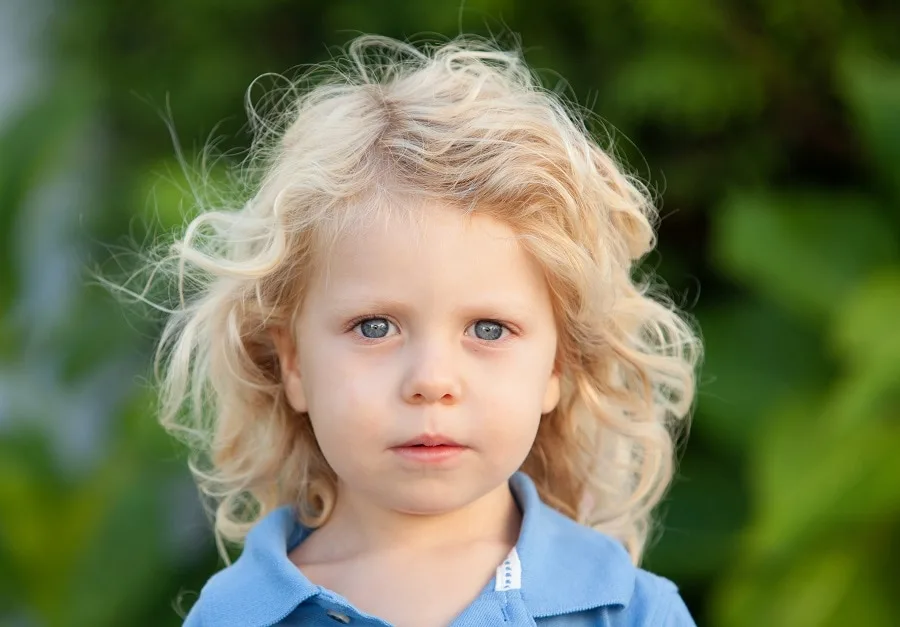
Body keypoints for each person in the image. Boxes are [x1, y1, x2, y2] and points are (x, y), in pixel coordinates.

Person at [154, 33, 702, 626]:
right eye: (375, 326)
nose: (432, 381)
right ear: (293, 365)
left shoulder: (630, 611)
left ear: (556, 368)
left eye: (488, 329)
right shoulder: (236, 616)